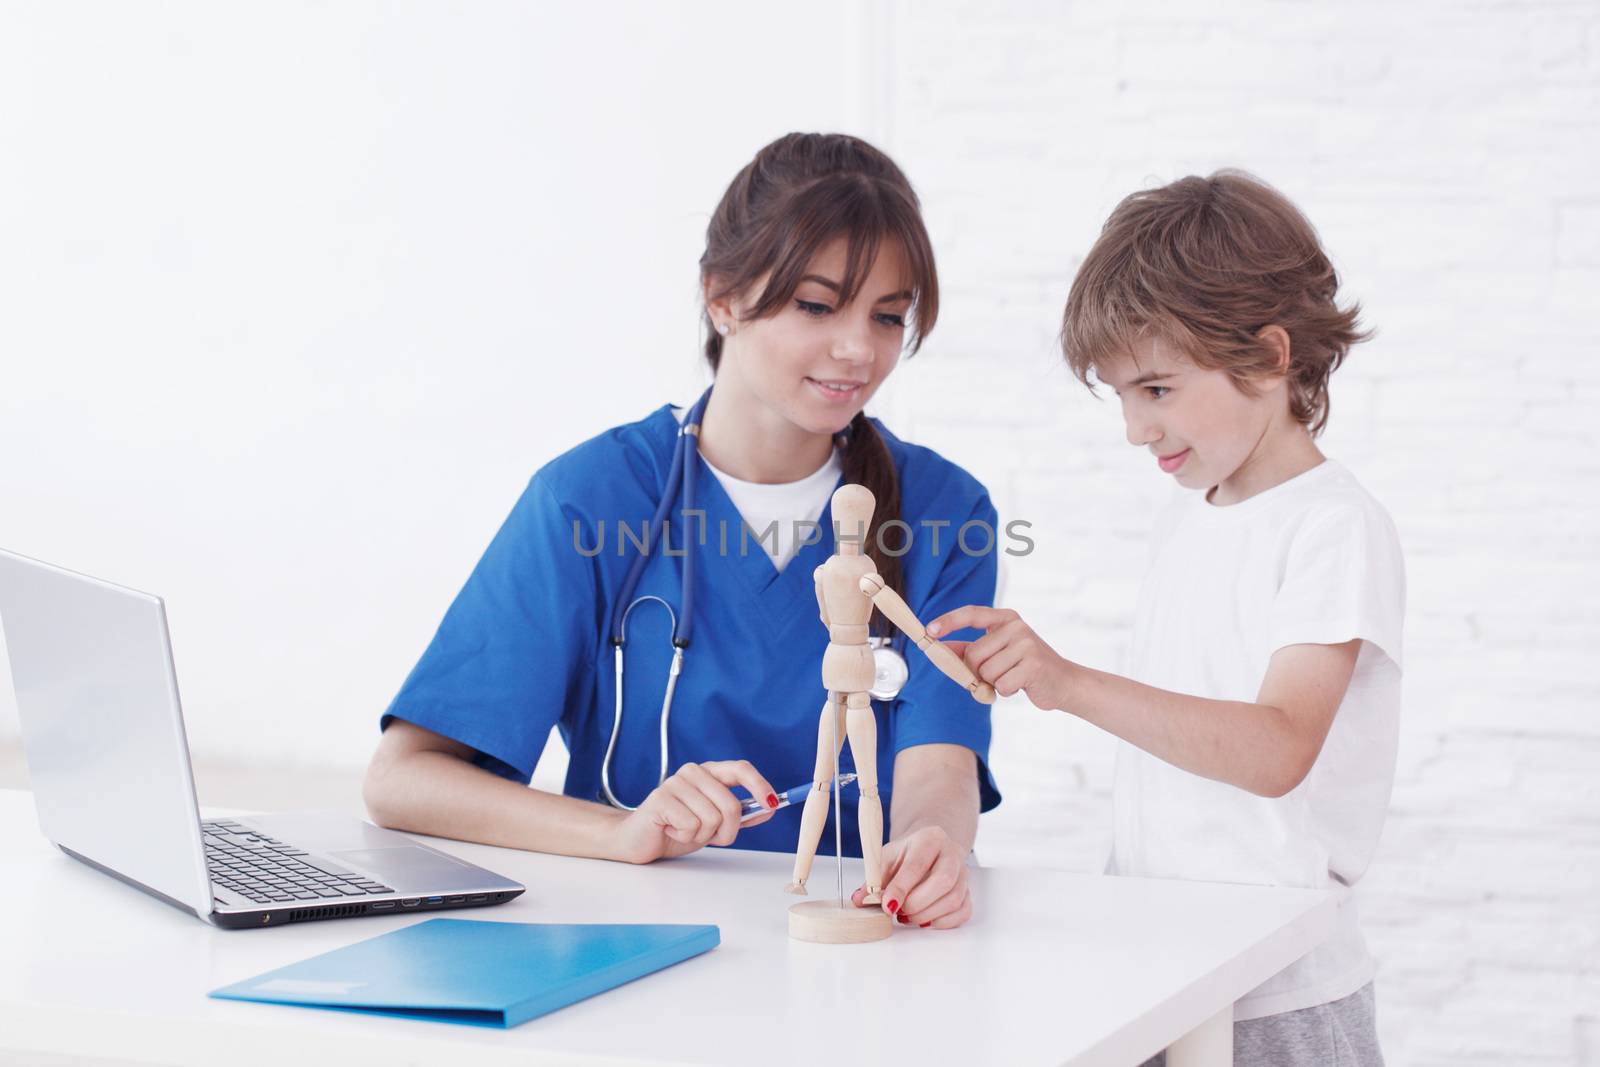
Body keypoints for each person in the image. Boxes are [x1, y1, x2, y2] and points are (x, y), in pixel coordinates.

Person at [363, 132, 1001, 931]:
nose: (859, 349)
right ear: (722, 297)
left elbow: (939, 763)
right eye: (816, 304)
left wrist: (930, 844)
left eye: (887, 316)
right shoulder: (591, 498)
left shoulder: (944, 511)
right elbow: (404, 778)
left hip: (862, 939)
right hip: (632, 938)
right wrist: (622, 832)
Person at [926, 171, 1402, 1060]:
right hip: (1170, 969)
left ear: (1268, 357)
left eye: (1156, 390)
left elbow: (1275, 749)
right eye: (1121, 397)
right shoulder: (1194, 515)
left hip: (1278, 996)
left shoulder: (1333, 526)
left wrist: (1067, 682)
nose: (1136, 430)